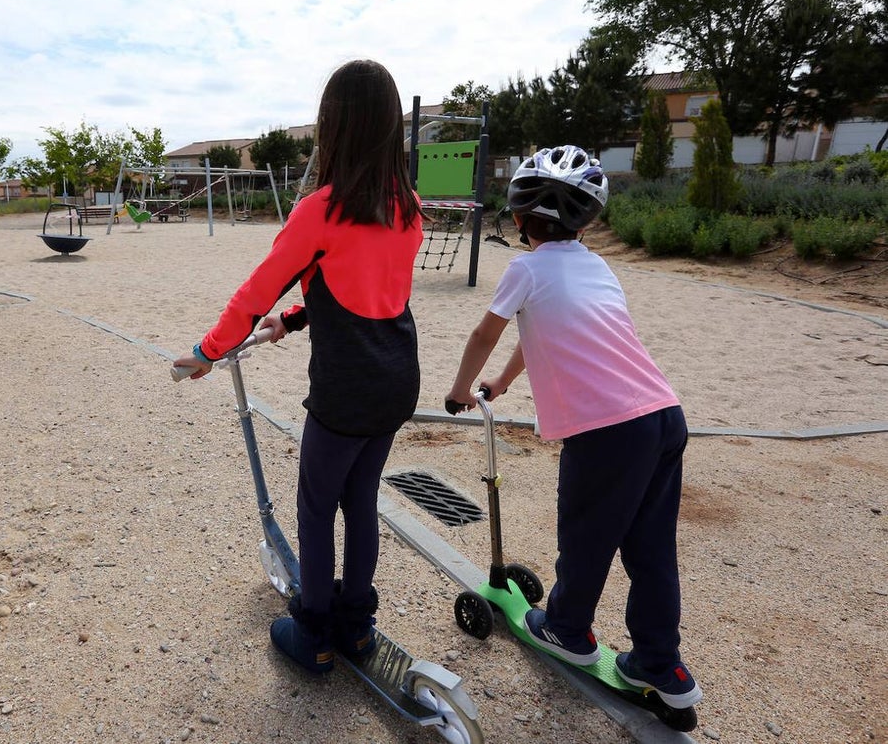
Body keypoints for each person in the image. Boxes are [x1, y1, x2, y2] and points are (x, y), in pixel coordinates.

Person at [173, 59, 424, 675]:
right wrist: (296, 318)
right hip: (397, 378)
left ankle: (312, 629)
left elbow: (253, 294)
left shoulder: (320, 209)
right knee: (360, 500)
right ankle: (358, 626)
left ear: (331, 128)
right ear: (392, 128)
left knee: (316, 506)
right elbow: (367, 289)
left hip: (344, 390)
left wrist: (207, 354)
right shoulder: (408, 207)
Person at [445, 145, 702, 710]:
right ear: (587, 219)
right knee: (651, 550)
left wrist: (463, 389)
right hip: (662, 416)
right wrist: (505, 383)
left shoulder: (526, 266)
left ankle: (567, 629)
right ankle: (663, 669)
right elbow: (544, 332)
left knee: (586, 535)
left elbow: (487, 333)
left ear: (517, 216)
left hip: (609, 431)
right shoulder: (596, 265)